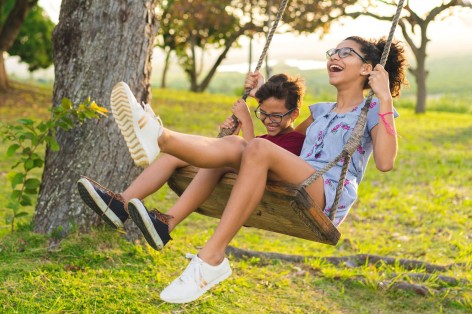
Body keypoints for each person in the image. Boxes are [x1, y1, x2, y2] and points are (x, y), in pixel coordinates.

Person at [108, 35, 408, 303]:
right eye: (334, 51)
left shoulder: (373, 111)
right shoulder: (321, 112)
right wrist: (256, 96)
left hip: (326, 193)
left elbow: (385, 162)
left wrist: (383, 97)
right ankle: (160, 138)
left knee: (256, 148)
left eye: (346, 53)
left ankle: (211, 258)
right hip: (298, 176)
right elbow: (280, 136)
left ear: (368, 68)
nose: (335, 57)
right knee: (240, 147)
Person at [77, 73, 306, 251]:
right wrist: (228, 135)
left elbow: (255, 162)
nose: (268, 121)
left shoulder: (295, 141)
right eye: (262, 114)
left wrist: (247, 122)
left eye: (276, 116)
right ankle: (124, 205)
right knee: (176, 155)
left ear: (294, 115)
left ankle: (157, 135)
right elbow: (247, 150)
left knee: (227, 150)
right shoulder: (265, 137)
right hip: (239, 181)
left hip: (263, 196)